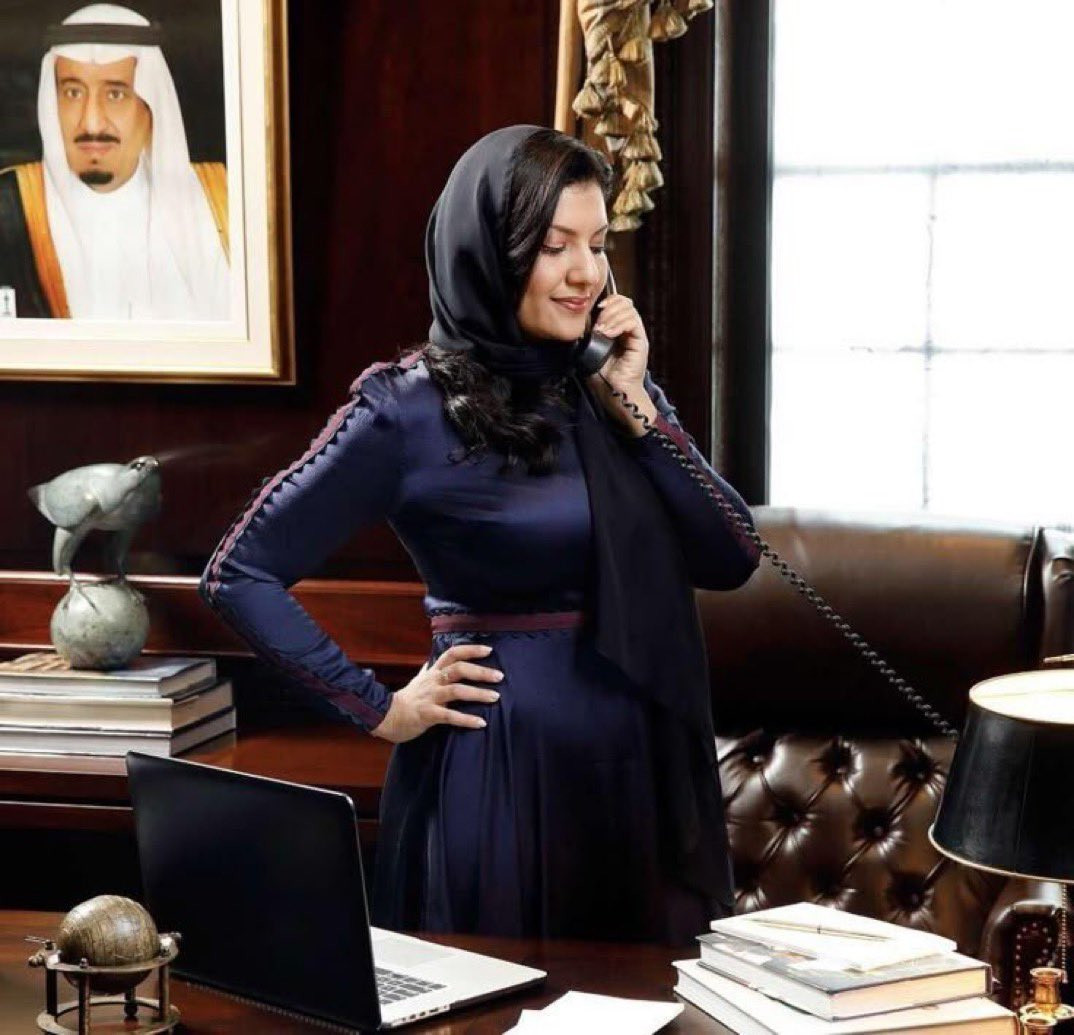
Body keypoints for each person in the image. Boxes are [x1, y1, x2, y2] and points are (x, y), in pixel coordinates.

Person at [201, 125, 761, 944]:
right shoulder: (404, 408)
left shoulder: (606, 384)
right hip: (498, 774)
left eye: (598, 244)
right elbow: (238, 571)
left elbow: (732, 553)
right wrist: (380, 707)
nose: (585, 272)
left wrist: (639, 406)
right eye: (555, 246)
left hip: (634, 773)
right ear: (488, 253)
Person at [0, 3, 229, 320]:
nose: (92, 122)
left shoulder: (219, 202)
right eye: (73, 93)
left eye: (115, 94)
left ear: (150, 108)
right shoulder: (9, 210)